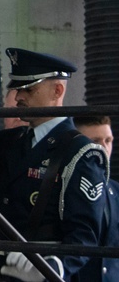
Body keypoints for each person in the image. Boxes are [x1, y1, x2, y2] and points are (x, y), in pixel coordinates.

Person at [0, 49, 108, 281]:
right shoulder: (8, 142)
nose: (18, 98)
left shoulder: (81, 152)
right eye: (18, 89)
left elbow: (84, 235)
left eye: (29, 89)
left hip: (42, 269)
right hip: (0, 267)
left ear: (57, 90)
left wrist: (53, 267)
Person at [73, 114, 118, 282]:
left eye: (108, 140)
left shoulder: (116, 191)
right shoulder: (62, 189)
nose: (104, 147)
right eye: (96, 141)